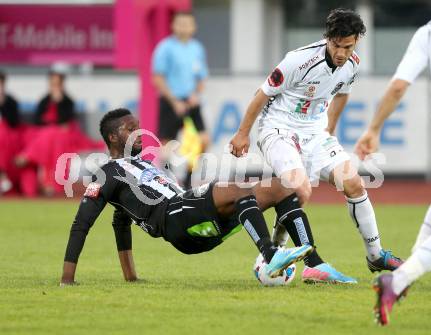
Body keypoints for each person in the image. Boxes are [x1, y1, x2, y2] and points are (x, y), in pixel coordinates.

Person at [229, 8, 403, 284]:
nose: (341, 53)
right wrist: (242, 134)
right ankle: (286, 255)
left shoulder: (352, 63)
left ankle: (375, 255)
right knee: (300, 189)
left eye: (348, 46)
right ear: (328, 39)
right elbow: (261, 95)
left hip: (315, 133)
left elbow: (342, 94)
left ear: (356, 40)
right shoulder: (298, 61)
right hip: (279, 128)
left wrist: (328, 131)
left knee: (354, 184)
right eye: (337, 45)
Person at [60, 108, 314, 285]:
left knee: (283, 187)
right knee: (235, 188)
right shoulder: (107, 173)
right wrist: (67, 279)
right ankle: (272, 255)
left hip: (198, 225)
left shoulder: (145, 166)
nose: (138, 133)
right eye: (130, 129)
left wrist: (131, 277)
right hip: (175, 217)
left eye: (139, 128)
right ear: (113, 137)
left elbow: (121, 222)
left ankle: (314, 264)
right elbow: (81, 224)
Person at [353, 15, 431, 326]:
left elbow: (398, 86)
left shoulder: (428, 32)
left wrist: (374, 128)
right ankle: (400, 279)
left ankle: (412, 267)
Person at [15, 70, 104, 196]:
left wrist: (59, 102)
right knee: (47, 135)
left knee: (53, 137)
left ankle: (28, 156)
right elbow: (38, 121)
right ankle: (45, 180)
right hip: (46, 137)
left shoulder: (67, 101)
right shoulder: (44, 101)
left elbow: (65, 121)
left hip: (63, 138)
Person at [152, 11, 209, 189]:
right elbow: (158, 77)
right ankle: (166, 179)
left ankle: (189, 178)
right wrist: (174, 100)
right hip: (171, 100)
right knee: (167, 143)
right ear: (173, 26)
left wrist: (195, 94)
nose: (184, 27)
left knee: (204, 139)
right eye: (180, 23)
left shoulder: (197, 48)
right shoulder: (165, 47)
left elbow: (201, 77)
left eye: (187, 24)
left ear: (194, 27)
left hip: (191, 100)